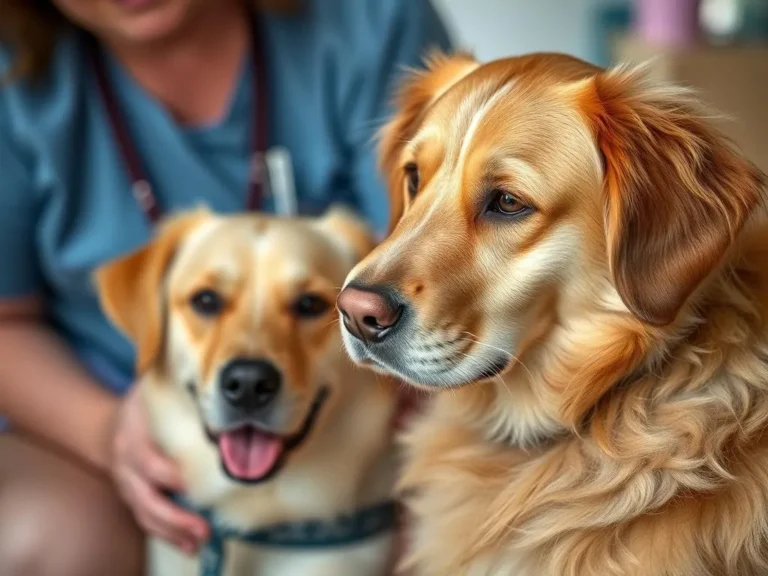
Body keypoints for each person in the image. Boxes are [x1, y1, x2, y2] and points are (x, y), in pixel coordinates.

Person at [0, 0, 452, 573]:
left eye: (307, 302)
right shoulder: (14, 81)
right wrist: (108, 431)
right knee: (50, 532)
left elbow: (445, 289)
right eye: (208, 301)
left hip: (380, 420)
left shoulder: (374, 22)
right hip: (86, 408)